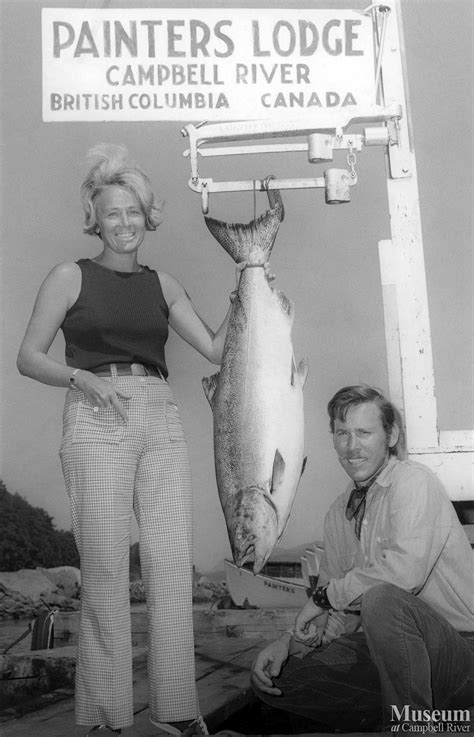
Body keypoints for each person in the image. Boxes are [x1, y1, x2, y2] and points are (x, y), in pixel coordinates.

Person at [17, 144, 271, 737]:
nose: (125, 224)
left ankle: (177, 710)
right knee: (105, 570)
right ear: (95, 219)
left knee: (168, 566)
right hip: (94, 410)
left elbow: (212, 348)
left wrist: (247, 280)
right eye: (112, 214)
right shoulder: (69, 276)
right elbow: (29, 358)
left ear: (148, 216)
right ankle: (106, 716)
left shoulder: (163, 284)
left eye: (134, 213)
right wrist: (80, 378)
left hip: (160, 415)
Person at [251, 385, 473, 733]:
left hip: (462, 653)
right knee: (283, 681)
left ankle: (412, 727)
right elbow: (338, 618)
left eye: (364, 433)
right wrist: (288, 643)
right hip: (394, 656)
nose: (352, 446)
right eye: (343, 434)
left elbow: (403, 574)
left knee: (382, 598)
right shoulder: (339, 513)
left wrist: (324, 597)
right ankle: (402, 713)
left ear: (391, 435)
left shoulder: (414, 482)